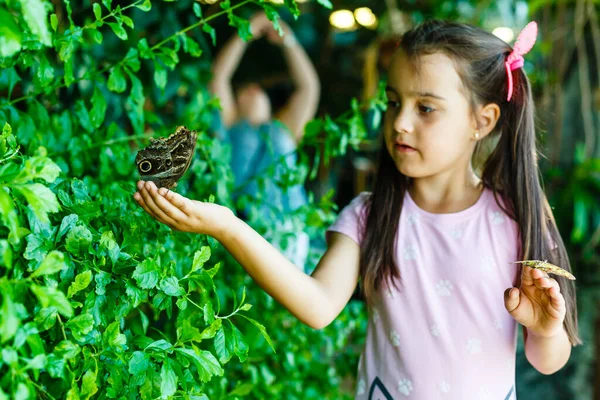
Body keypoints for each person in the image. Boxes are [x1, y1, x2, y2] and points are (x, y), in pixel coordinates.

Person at [134, 20, 580, 399]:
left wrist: (543, 329)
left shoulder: (516, 217)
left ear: (481, 122)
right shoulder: (369, 215)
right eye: (393, 103)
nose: (400, 122)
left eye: (425, 108)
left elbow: (549, 361)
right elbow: (318, 306)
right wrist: (227, 227)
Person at [209, 13, 320, 272]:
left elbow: (309, 87)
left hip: (288, 231)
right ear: (235, 102)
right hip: (244, 234)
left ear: (271, 104)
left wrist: (288, 40)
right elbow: (219, 77)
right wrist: (245, 32)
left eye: (258, 88)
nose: (253, 89)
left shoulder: (286, 129)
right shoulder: (230, 126)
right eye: (245, 89)